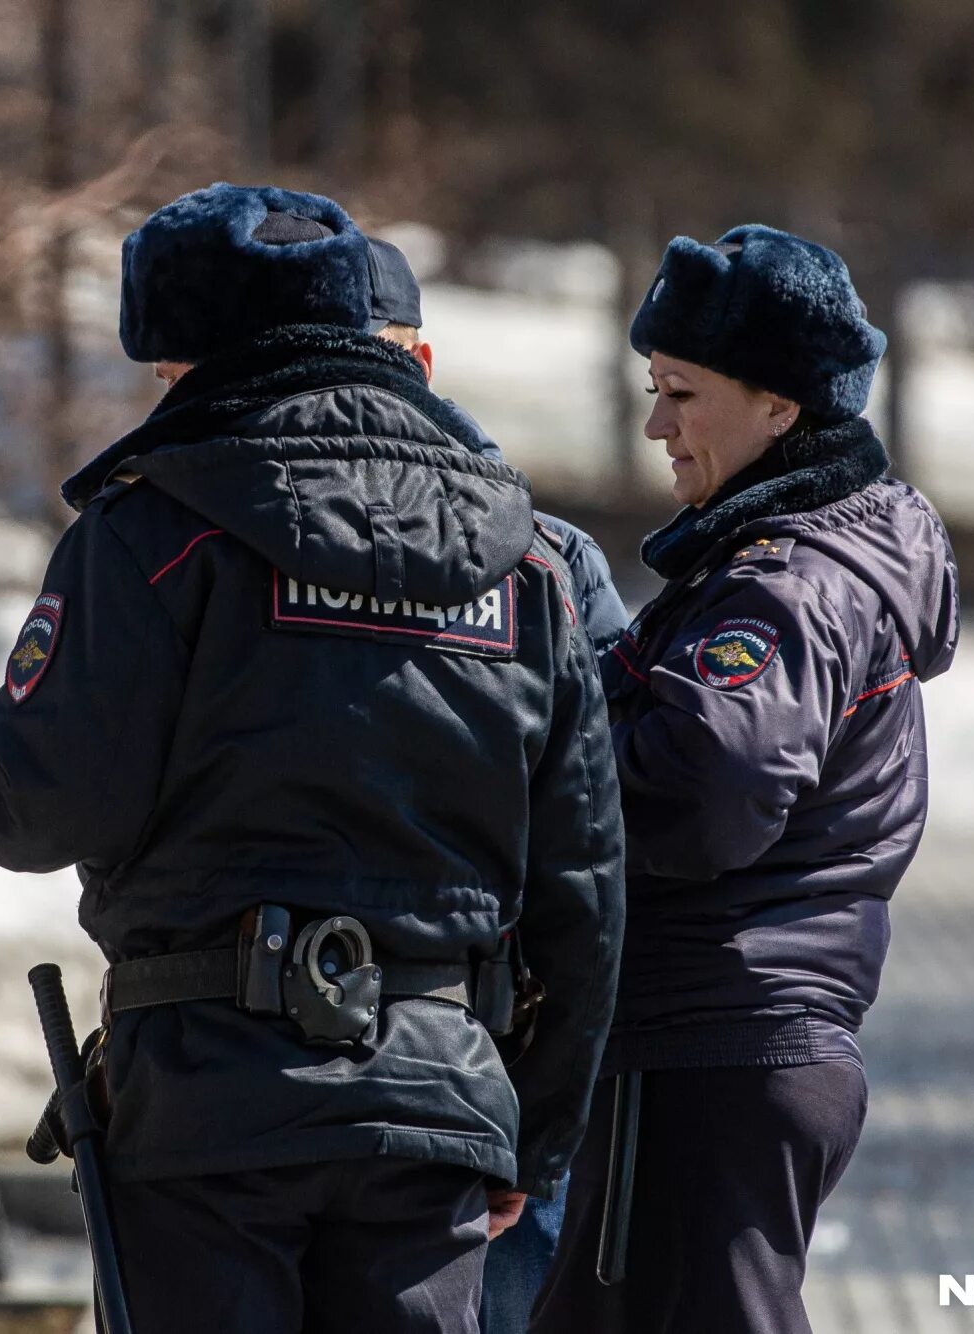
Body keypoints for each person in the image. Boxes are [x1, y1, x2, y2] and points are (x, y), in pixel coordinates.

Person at [0, 183, 625, 1333]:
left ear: (199, 357)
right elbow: (583, 888)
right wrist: (535, 1127)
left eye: (163, 366)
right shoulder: (524, 566)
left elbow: (35, 799)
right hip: (433, 1106)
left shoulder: (153, 533)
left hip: (209, 1105)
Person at [530, 225, 961, 1334]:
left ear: (779, 406)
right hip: (721, 1049)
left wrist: (521, 757)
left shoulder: (784, 585)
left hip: (706, 1047)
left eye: (680, 391)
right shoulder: (781, 560)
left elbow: (699, 797)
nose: (653, 425)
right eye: (650, 387)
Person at [360, 236, 621, 1334]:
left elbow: (598, 841)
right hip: (466, 1072)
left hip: (477, 1054)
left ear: (419, 360)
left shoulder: (545, 558)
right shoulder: (543, 556)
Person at [364, 236, 630, 660]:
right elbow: (601, 722)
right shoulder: (554, 557)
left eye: (367, 366)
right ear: (423, 365)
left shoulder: (227, 529)